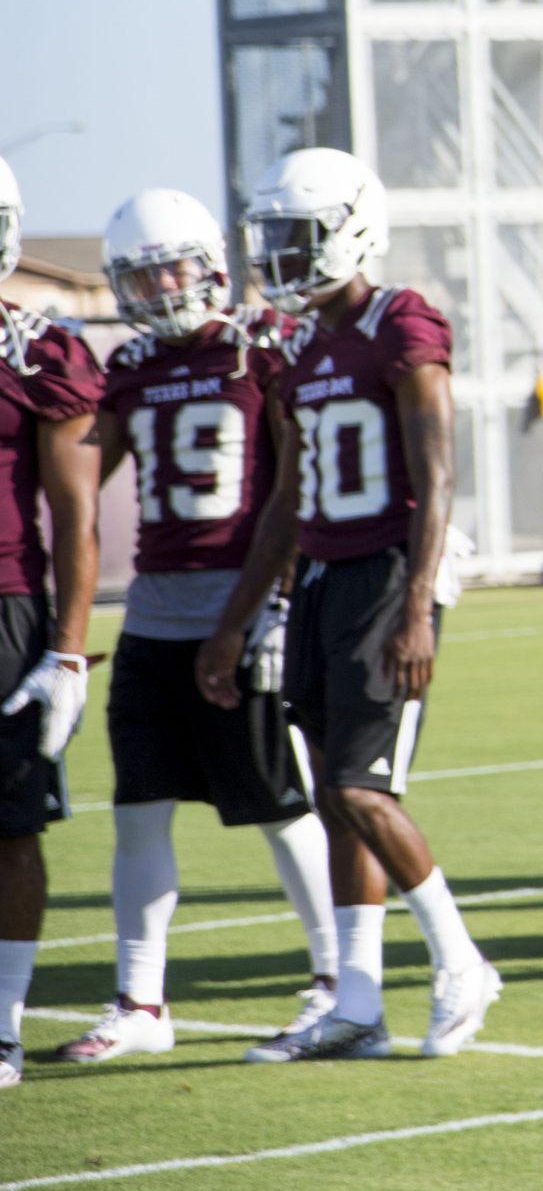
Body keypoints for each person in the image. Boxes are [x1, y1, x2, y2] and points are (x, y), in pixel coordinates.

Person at [201, 146, 498, 1060]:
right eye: (275, 239)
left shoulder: (399, 322)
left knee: (359, 788)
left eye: (298, 237)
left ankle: (461, 961)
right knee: (334, 798)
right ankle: (358, 1001)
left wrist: (417, 600)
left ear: (353, 230)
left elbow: (439, 469)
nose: (282, 256)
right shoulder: (298, 347)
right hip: (325, 579)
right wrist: (237, 618)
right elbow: (289, 498)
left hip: (385, 574)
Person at [53, 190, 340, 1066]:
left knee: (281, 807)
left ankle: (336, 979)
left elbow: (299, 480)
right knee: (137, 810)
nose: (156, 286)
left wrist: (277, 602)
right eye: (137, 274)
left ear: (211, 262)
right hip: (154, 614)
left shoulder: (264, 347)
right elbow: (77, 467)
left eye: (167, 267)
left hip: (243, 608)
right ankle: (142, 998)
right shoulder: (132, 362)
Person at [0, 153, 105, 1091]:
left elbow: (78, 519)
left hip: (6, 610)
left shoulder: (40, 350)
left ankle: (1, 1027)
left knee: (8, 826)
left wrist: (68, 651)